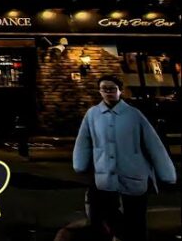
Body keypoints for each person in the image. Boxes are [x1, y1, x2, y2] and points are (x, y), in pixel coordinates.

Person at [73, 75, 175, 241]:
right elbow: (83, 140)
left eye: (112, 89)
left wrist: (166, 173)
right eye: (104, 89)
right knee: (106, 213)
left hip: (134, 173)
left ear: (120, 90)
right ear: (99, 91)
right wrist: (80, 163)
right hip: (105, 175)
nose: (108, 92)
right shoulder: (92, 115)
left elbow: (153, 144)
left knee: (136, 216)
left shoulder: (134, 114)